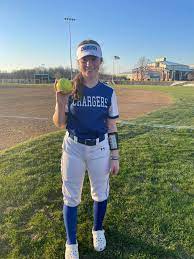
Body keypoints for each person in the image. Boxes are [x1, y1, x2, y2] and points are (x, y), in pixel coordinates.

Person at [53, 39, 120, 259]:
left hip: (99, 149)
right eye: (85, 59)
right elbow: (59, 122)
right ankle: (71, 243)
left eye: (93, 59)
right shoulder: (71, 89)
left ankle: (97, 229)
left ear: (100, 62)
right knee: (70, 197)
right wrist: (61, 104)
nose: (89, 64)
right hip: (73, 148)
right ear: (78, 62)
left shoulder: (108, 92)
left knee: (100, 193)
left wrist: (115, 156)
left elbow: (111, 126)